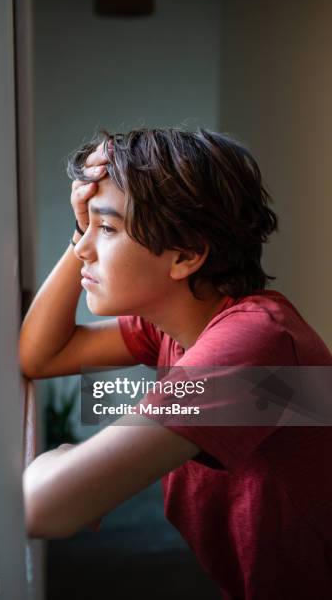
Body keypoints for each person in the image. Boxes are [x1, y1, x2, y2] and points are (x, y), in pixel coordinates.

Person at [19, 128, 332, 600]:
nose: (84, 247)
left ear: (185, 254)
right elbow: (42, 355)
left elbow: (41, 507)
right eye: (87, 227)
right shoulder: (173, 325)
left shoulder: (253, 347)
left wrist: (61, 458)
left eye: (106, 229)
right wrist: (83, 228)